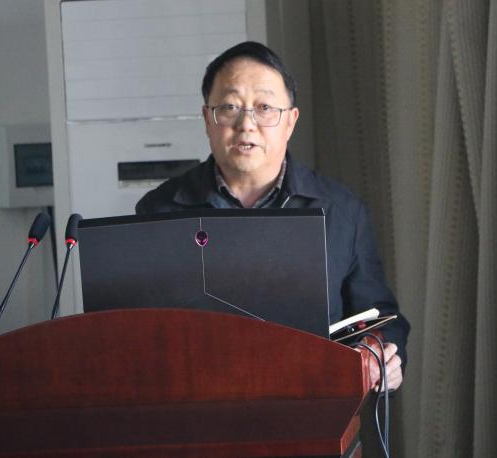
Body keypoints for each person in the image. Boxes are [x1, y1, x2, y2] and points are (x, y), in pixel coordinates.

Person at [136, 41, 410, 391]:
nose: (246, 124)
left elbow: (380, 318)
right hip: (197, 404)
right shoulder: (159, 211)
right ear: (207, 119)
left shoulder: (341, 211)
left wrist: (380, 353)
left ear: (290, 121)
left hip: (314, 402)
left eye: (264, 108)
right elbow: (138, 332)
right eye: (230, 107)